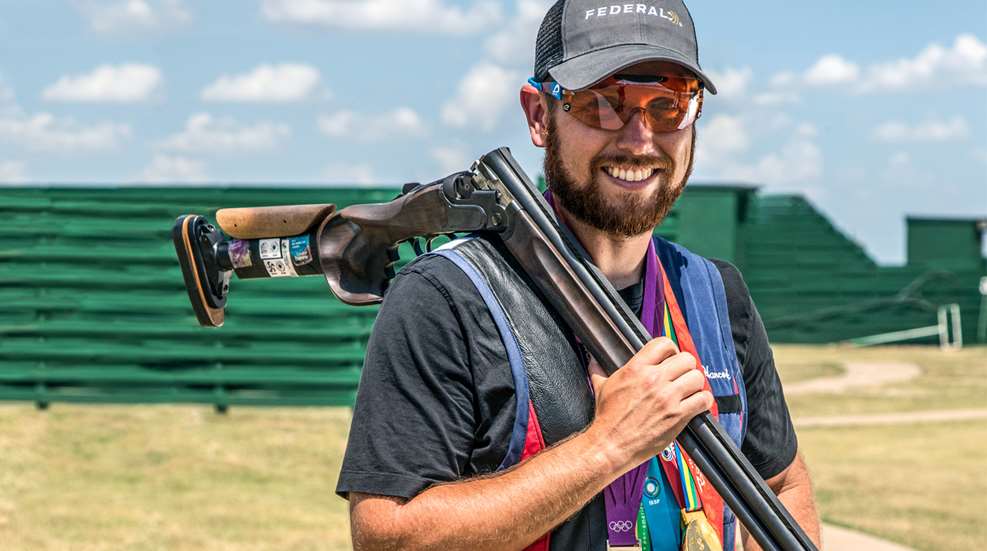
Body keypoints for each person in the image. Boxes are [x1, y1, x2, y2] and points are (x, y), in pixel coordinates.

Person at [336, 1, 821, 549]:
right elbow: (387, 537)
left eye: (668, 106)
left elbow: (780, 483)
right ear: (540, 115)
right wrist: (607, 447)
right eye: (602, 104)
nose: (639, 139)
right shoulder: (445, 296)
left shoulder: (715, 294)